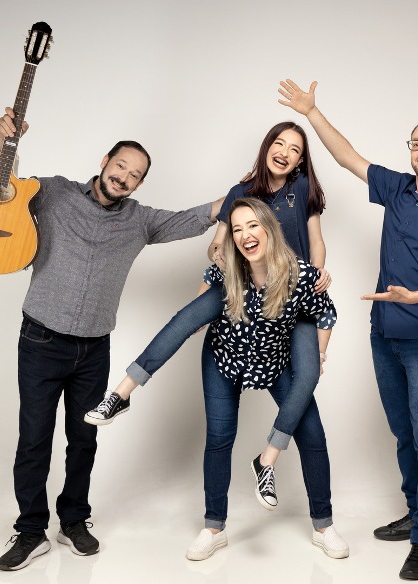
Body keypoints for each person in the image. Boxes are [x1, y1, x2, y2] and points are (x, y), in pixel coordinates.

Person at [0, 107, 223, 571]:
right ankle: (31, 530)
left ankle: (73, 520)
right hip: (40, 339)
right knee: (34, 440)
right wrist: (5, 143)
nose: (124, 177)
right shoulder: (54, 192)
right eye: (120, 166)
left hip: (94, 349)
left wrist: (256, 183)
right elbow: (0, 191)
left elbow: (198, 216)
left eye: (135, 175)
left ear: (140, 184)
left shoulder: (141, 220)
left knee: (84, 439)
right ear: (104, 161)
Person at [279, 79, 418, 580]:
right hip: (384, 335)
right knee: (403, 432)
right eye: (416, 142)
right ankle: (416, 512)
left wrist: (417, 296)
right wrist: (311, 112)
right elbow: (348, 157)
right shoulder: (397, 188)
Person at [85, 121, 332, 513]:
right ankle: (121, 394)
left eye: (295, 149)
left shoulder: (302, 189)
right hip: (241, 286)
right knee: (186, 319)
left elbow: (316, 242)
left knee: (309, 379)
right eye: (279, 143)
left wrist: (315, 277)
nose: (285, 152)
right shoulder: (240, 192)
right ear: (267, 146)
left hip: (291, 295)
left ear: (301, 160)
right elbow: (216, 246)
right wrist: (222, 260)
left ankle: (276, 468)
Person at [91, 198, 349, 561]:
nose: (245, 235)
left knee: (313, 434)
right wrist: (195, 319)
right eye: (237, 229)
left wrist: (318, 354)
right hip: (223, 360)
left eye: (253, 226)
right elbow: (193, 312)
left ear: (269, 230)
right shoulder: (226, 270)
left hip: (273, 362)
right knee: (219, 437)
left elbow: (326, 314)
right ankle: (213, 527)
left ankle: (322, 524)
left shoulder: (301, 276)